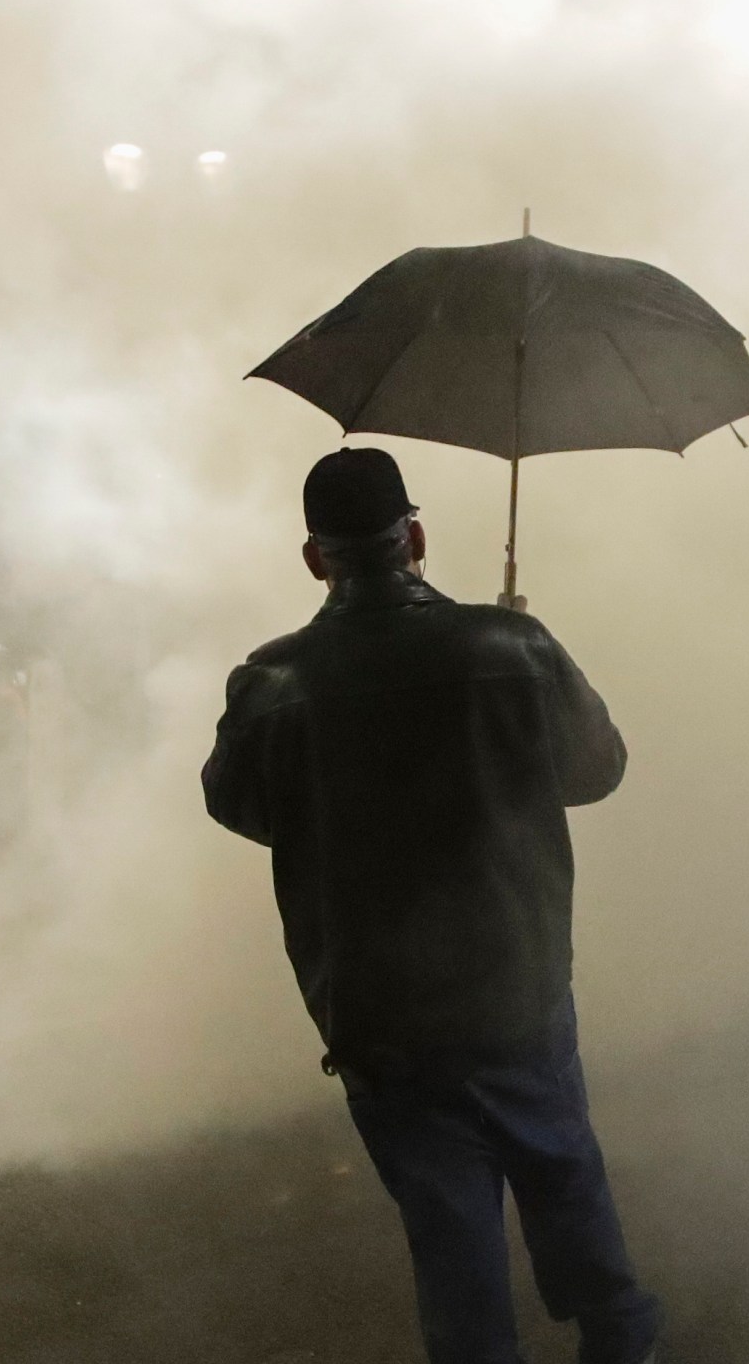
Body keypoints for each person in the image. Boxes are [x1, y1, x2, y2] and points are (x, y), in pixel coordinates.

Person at [202, 448, 660, 1364]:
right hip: (516, 984)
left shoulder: (269, 685)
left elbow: (240, 807)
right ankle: (620, 1340)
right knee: (564, 1171)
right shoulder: (512, 647)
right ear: (414, 536)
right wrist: (517, 662)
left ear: (315, 558)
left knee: (450, 1232)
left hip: (377, 1013)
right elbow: (597, 770)